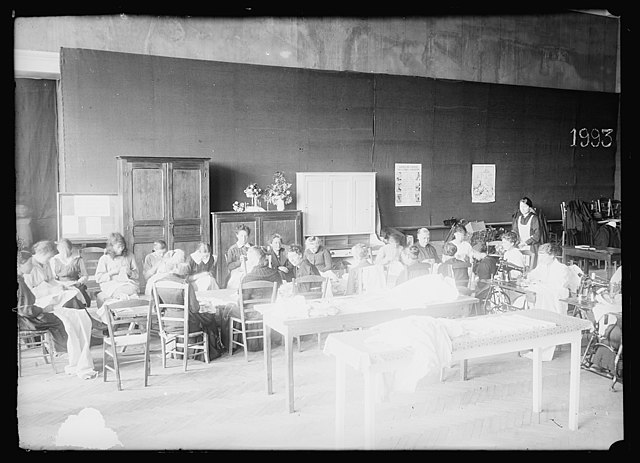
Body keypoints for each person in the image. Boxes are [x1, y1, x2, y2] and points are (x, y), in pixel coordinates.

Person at [22, 240, 98, 379]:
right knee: (69, 309)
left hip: (50, 295)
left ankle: (84, 328)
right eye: (49, 256)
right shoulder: (28, 267)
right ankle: (85, 329)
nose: (50, 260)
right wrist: (51, 290)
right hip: (39, 301)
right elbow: (30, 293)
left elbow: (52, 280)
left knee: (73, 295)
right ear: (41, 253)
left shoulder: (45, 264)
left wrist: (62, 286)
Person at [152, 251, 221, 361]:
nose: (185, 267)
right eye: (182, 264)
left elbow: (157, 308)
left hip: (169, 325)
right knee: (209, 318)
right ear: (176, 267)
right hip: (187, 325)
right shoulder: (184, 284)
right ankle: (208, 350)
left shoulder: (157, 284)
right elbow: (195, 308)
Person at [519, 243, 581, 361]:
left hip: (557, 297)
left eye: (543, 255)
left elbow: (558, 286)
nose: (540, 258)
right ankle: (537, 344)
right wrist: (527, 278)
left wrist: (539, 284)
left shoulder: (561, 268)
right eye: (539, 255)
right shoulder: (542, 265)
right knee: (533, 307)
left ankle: (545, 350)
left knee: (547, 313)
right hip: (545, 294)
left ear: (552, 255)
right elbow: (532, 275)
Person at [17, 250, 68, 355]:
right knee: (58, 318)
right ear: (19, 265)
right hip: (26, 321)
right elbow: (26, 310)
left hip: (24, 318)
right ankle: (60, 350)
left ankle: (55, 347)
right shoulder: (20, 283)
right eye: (29, 264)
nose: (32, 266)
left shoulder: (20, 279)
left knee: (54, 315)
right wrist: (43, 309)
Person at [94, 232, 140, 307]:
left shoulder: (129, 256)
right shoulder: (105, 258)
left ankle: (124, 304)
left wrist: (130, 273)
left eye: (123, 246)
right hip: (111, 284)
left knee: (131, 289)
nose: (122, 248)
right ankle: (119, 306)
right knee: (119, 292)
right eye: (119, 246)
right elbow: (98, 278)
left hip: (127, 283)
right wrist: (111, 273)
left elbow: (137, 275)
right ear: (111, 247)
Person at [50, 238, 92, 307]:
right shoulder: (54, 260)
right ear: (58, 250)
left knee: (74, 295)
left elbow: (85, 275)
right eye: (61, 250)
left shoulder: (77, 259)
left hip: (75, 283)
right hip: (60, 284)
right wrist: (58, 284)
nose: (64, 253)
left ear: (70, 249)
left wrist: (78, 282)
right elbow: (52, 277)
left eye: (66, 250)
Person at [511, 197, 543, 269]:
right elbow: (515, 232)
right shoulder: (518, 218)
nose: (522, 209)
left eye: (525, 206)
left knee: (531, 267)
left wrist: (525, 243)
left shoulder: (534, 218)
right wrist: (516, 242)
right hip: (520, 245)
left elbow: (537, 235)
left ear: (529, 207)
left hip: (531, 246)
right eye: (521, 206)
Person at [226, 224, 253, 289]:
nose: (243, 239)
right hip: (237, 272)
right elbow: (229, 266)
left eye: (246, 236)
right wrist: (239, 262)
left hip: (251, 271)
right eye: (241, 236)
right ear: (237, 235)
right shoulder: (232, 249)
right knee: (239, 278)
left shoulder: (252, 248)